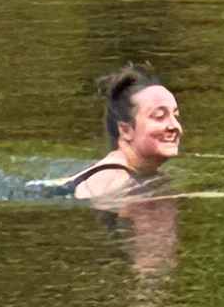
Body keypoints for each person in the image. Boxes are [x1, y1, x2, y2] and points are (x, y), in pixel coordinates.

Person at [66, 67, 182, 204]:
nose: (174, 126)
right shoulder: (113, 179)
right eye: (159, 116)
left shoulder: (138, 174)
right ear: (126, 130)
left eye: (175, 116)